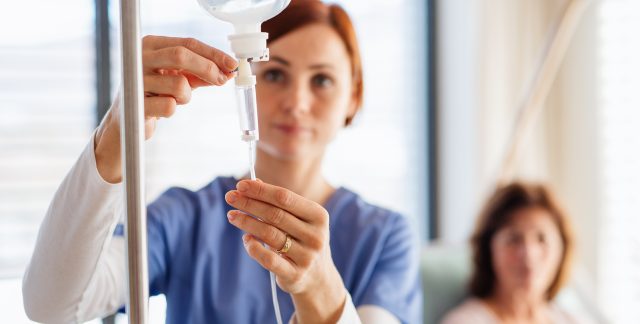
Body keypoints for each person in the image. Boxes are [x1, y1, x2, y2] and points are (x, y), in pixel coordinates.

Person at [22, 1, 422, 323]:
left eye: (321, 81)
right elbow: (55, 306)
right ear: (247, 75)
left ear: (353, 97)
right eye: (276, 74)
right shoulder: (186, 218)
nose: (296, 103)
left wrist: (320, 289)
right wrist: (115, 135)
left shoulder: (383, 237)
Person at [441, 182, 587, 324]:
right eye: (514, 239)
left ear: (562, 249)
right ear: (488, 248)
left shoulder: (573, 320)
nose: (529, 254)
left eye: (542, 239)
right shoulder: (465, 321)